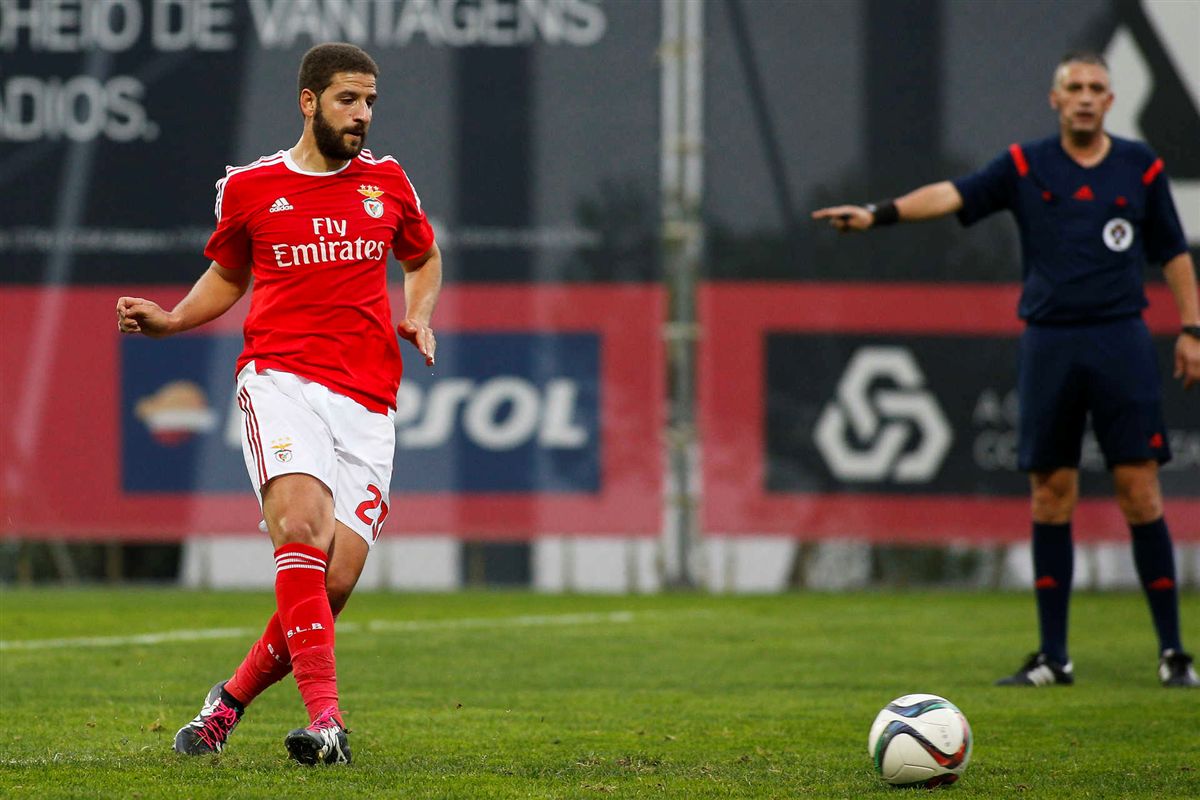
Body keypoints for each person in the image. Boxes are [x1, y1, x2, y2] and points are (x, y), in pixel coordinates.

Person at [813, 51, 1200, 688]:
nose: (1083, 96)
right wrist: (879, 213)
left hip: (1120, 342)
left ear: (1110, 99)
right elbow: (953, 195)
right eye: (1072, 87)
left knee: (1140, 491)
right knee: (1051, 494)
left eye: (1095, 88)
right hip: (1050, 342)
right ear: (1054, 100)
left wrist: (1190, 329)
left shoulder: (1142, 166)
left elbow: (1173, 252)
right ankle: (1053, 657)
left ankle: (1174, 654)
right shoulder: (1026, 165)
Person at [117, 42, 443, 762]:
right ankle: (327, 721)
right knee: (299, 523)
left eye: (369, 103)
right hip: (281, 378)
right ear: (308, 101)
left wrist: (418, 312)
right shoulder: (250, 187)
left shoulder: (388, 183)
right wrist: (173, 319)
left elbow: (421, 256)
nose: (361, 116)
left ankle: (225, 705)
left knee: (336, 582)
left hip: (368, 399)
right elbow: (229, 274)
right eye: (347, 100)